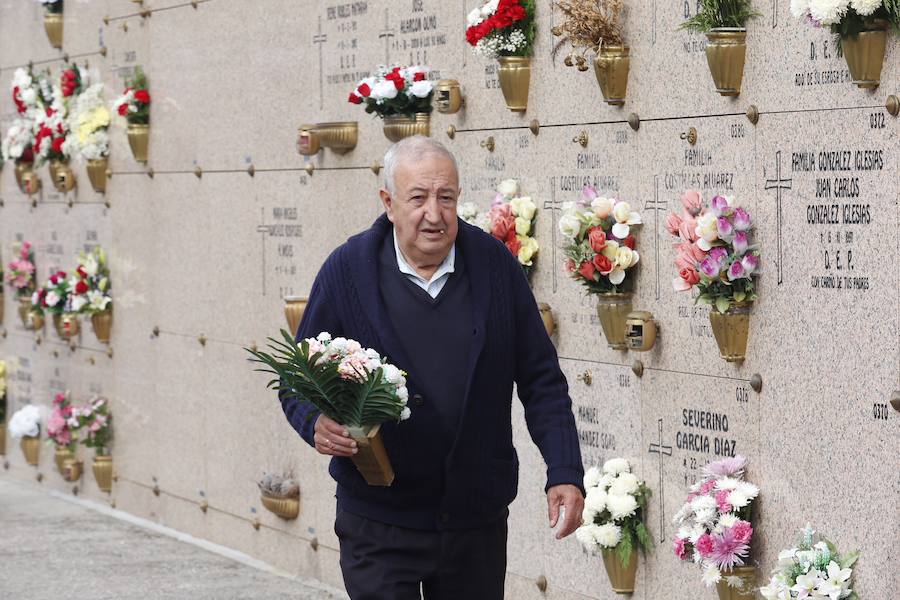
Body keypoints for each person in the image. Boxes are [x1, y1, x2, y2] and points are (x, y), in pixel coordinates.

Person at [280, 136, 584, 599]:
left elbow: (541, 378)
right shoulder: (348, 270)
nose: (435, 214)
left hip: (474, 521)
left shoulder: (495, 268)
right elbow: (297, 376)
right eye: (418, 197)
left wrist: (564, 469)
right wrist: (314, 421)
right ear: (388, 202)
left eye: (447, 197)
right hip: (378, 521)